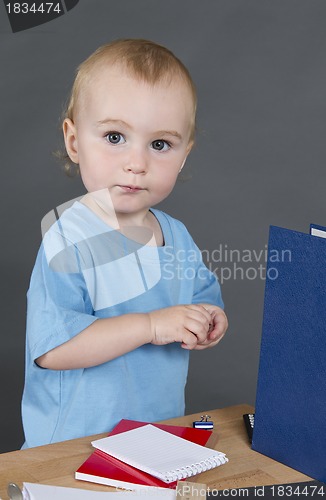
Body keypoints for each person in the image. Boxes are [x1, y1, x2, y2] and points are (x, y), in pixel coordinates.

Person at [21, 39, 228, 448]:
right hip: (73, 448)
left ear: (184, 154)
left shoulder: (177, 236)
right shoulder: (69, 238)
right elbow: (54, 350)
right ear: (75, 140)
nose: (137, 162)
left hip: (153, 440)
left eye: (160, 144)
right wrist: (151, 326)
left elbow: (202, 297)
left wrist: (208, 319)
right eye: (115, 137)